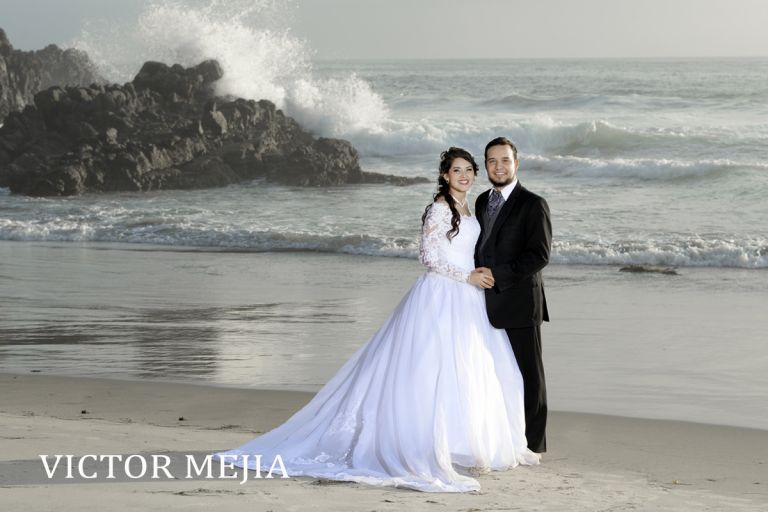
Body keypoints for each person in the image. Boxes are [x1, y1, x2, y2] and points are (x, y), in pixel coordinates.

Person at [214, 147, 539, 492]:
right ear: (445, 175)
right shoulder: (439, 209)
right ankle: (425, 444)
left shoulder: (469, 208)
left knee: (472, 368)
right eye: (457, 170)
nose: (464, 176)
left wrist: (477, 276)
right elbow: (427, 257)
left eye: (469, 170)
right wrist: (466, 276)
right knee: (430, 370)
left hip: (468, 299)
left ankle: (466, 442)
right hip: (441, 294)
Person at [473, 137, 551, 454]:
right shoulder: (480, 201)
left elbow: (539, 255)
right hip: (483, 303)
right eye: (492, 161)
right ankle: (504, 436)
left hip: (520, 302)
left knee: (529, 376)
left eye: (505, 160)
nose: (499, 166)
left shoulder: (533, 204)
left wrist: (497, 276)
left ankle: (533, 445)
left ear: (516, 164)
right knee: (495, 373)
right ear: (486, 166)